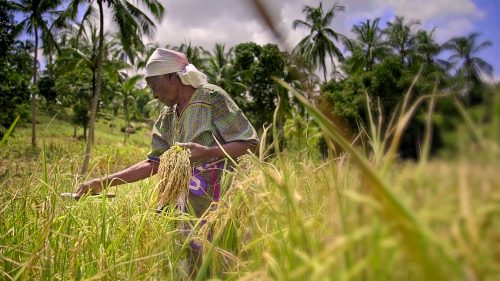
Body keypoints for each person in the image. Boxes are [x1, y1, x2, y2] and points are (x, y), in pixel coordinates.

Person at [76, 47, 259, 216]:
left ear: (171, 76)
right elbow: (154, 163)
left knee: (221, 250)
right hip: (185, 211)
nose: (154, 95)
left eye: (153, 86)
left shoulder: (212, 98)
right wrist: (102, 182)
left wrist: (208, 152)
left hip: (222, 207)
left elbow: (250, 144)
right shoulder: (166, 117)